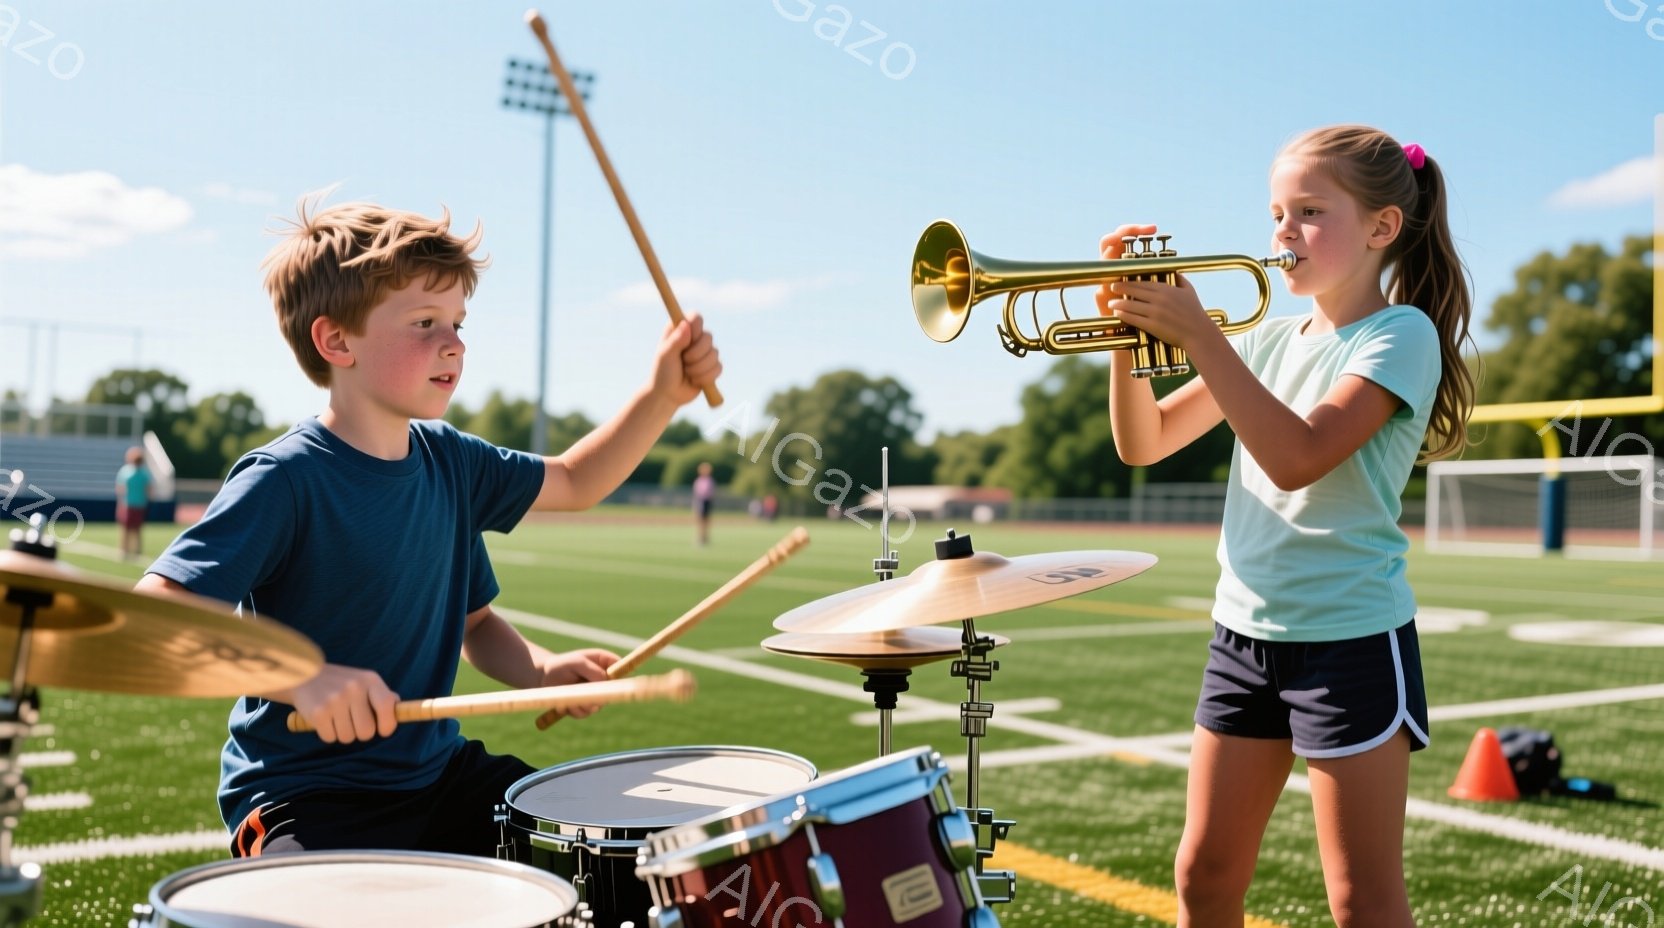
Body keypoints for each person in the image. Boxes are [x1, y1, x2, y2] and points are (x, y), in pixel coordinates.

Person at [135, 197, 721, 859]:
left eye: (457, 322)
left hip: (439, 777)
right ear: (337, 341)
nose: (454, 343)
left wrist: (663, 396)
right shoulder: (286, 478)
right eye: (424, 322)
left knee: (601, 857)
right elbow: (159, 618)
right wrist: (303, 680)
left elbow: (558, 509)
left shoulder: (450, 461)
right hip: (305, 795)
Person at [1094, 125, 1474, 928]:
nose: (1282, 234)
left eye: (1309, 211)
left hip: (1350, 641)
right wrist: (1130, 340)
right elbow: (1145, 442)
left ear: (1380, 228)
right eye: (1276, 214)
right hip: (1242, 637)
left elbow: (1298, 456)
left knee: (1360, 898)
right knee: (1203, 875)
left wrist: (1198, 335)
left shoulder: (1400, 336)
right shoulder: (1267, 340)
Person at [114, 446, 151, 560]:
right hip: (135, 504)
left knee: (128, 529)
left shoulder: (126, 471)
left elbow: (120, 488)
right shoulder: (144, 473)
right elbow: (149, 490)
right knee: (134, 529)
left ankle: (125, 551)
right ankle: (134, 551)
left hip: (130, 504)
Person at [692, 461, 715, 545]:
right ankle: (700, 538)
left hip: (707, 502)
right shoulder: (699, 480)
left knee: (706, 521)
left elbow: (711, 492)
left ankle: (705, 538)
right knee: (700, 521)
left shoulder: (710, 480)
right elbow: (697, 493)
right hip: (701, 501)